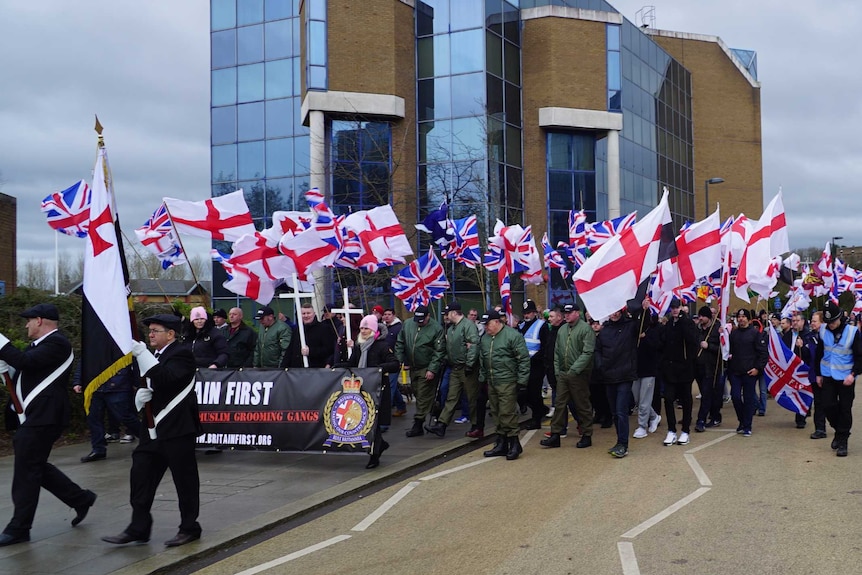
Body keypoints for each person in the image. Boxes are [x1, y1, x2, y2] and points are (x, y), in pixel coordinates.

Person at [0, 303, 97, 546]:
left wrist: (1, 344)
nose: (26, 325)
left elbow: (24, 361)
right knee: (34, 466)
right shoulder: (42, 347)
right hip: (37, 415)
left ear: (40, 320)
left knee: (26, 470)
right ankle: (80, 498)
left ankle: (19, 528)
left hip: (45, 416)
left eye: (29, 321)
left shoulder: (57, 343)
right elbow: (26, 369)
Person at [103, 313, 202, 546]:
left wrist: (143, 354)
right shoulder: (154, 355)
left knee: (184, 481)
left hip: (178, 427)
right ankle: (139, 526)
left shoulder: (182, 353)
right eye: (150, 331)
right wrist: (142, 395)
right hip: (152, 428)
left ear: (171, 334)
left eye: (156, 330)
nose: (150, 334)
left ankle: (189, 527)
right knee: (141, 475)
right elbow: (152, 381)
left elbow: (167, 377)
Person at [334, 314, 399, 468]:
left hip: (378, 390)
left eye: (366, 328)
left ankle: (374, 455)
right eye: (362, 328)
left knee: (374, 424)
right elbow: (353, 364)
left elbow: (395, 363)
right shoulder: (359, 346)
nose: (363, 331)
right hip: (363, 390)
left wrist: (377, 369)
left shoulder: (381, 345)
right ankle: (380, 445)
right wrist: (337, 365)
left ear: (373, 329)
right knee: (368, 423)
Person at [593, 300, 648, 458]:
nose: (615, 313)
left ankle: (623, 444)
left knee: (621, 410)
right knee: (614, 413)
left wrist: (644, 310)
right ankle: (619, 441)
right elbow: (597, 350)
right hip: (609, 376)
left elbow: (643, 325)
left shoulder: (630, 326)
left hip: (624, 375)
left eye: (617, 310)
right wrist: (600, 365)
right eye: (612, 311)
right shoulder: (604, 331)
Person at [477, 309, 530, 460]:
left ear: (497, 322)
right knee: (496, 412)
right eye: (484, 325)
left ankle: (514, 443)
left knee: (507, 412)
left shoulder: (512, 336)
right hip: (492, 381)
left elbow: (523, 359)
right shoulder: (486, 339)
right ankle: (501, 443)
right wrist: (482, 378)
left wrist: (521, 381)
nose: (486, 327)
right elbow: (482, 359)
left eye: (488, 324)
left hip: (508, 380)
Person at [541, 303, 595, 449]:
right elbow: (557, 352)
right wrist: (558, 371)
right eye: (565, 313)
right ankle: (556, 434)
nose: (567, 315)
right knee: (559, 404)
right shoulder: (562, 330)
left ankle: (586, 434)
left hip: (579, 374)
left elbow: (587, 353)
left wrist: (575, 369)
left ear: (577, 313)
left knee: (581, 404)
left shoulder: (585, 329)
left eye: (569, 313)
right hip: (564, 374)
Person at [814, 302, 862, 456]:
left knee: (845, 409)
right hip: (827, 375)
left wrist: (853, 374)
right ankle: (839, 431)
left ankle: (843, 441)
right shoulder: (823, 330)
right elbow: (819, 353)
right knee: (827, 406)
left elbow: (859, 357)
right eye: (828, 323)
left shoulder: (852, 332)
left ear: (840, 318)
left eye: (833, 322)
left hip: (846, 377)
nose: (831, 325)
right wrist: (818, 374)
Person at [426, 301, 479, 438]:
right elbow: (450, 347)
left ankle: (475, 424)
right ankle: (442, 425)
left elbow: (473, 345)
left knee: (472, 397)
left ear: (454, 313)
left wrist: (470, 364)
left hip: (467, 368)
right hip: (455, 367)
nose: (446, 316)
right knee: (451, 396)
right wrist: (445, 358)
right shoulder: (451, 328)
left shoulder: (468, 326)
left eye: (448, 313)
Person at [395, 305, 445, 438]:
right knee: (418, 393)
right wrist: (399, 360)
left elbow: (439, 351)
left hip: (426, 366)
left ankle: (418, 424)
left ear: (428, 316)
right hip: (413, 366)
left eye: (422, 319)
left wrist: (432, 369)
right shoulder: (407, 325)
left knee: (423, 395)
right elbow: (400, 342)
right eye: (417, 319)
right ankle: (436, 409)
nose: (419, 322)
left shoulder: (436, 329)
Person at [75, 364, 141, 462]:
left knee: (125, 417)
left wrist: (137, 383)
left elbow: (134, 362)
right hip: (95, 386)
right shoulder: (92, 348)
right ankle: (98, 449)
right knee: (93, 418)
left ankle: (148, 440)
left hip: (118, 385)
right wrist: (78, 381)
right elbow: (85, 361)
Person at [658, 298, 698, 446]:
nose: (675, 310)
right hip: (670, 369)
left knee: (686, 399)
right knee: (668, 399)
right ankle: (671, 429)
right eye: (673, 307)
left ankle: (686, 430)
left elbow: (692, 340)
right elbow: (662, 343)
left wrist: (683, 322)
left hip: (685, 369)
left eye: (677, 307)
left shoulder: (687, 323)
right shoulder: (668, 324)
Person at [727, 309, 768, 437]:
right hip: (735, 372)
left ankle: (747, 425)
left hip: (750, 372)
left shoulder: (755, 334)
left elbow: (763, 354)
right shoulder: (733, 334)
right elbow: (729, 351)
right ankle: (742, 420)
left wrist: (757, 368)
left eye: (744, 316)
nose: (741, 319)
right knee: (735, 397)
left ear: (749, 320)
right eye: (739, 316)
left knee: (749, 399)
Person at [517, 299, 551, 430]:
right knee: (524, 394)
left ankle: (536, 420)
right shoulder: (521, 326)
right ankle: (541, 410)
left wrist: (535, 359)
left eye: (529, 313)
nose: (527, 315)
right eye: (525, 313)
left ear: (534, 313)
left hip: (536, 365)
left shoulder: (541, 326)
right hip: (523, 365)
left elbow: (545, 347)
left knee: (533, 393)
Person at [632, 307, 662, 439]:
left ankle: (642, 426)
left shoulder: (654, 331)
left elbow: (658, 346)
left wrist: (645, 338)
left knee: (644, 399)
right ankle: (654, 416)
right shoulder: (633, 332)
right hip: (635, 370)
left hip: (649, 370)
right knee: (638, 399)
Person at [281, 303, 337, 368]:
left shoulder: (324, 329)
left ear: (314, 314)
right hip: (296, 370)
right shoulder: (297, 330)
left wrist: (311, 351)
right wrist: (283, 367)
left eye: (308, 313)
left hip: (316, 369)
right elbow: (290, 350)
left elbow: (329, 350)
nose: (306, 316)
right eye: (303, 314)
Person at [694, 306, 723, 432]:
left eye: (702, 316)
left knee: (706, 394)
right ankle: (715, 415)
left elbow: (722, 349)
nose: (700, 318)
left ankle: (701, 420)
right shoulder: (697, 330)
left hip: (711, 368)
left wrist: (709, 346)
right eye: (699, 316)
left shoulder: (716, 330)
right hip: (698, 368)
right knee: (708, 394)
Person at [784, 312, 811, 429]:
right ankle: (802, 410)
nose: (795, 323)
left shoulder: (808, 335)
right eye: (793, 321)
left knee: (802, 392)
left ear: (803, 322)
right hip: (790, 369)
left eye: (797, 321)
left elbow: (811, 354)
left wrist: (803, 347)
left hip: (803, 370)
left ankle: (800, 418)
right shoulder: (787, 335)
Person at [806, 312, 828, 439]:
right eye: (812, 321)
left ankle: (837, 425)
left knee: (830, 403)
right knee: (818, 403)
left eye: (815, 321)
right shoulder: (809, 337)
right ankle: (820, 428)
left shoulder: (828, 337)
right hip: (815, 374)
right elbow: (808, 357)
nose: (812, 323)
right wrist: (802, 347)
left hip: (829, 375)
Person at [382, 308, 407, 417]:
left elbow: (403, 345)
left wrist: (404, 361)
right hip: (384, 361)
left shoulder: (399, 328)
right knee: (393, 385)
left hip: (395, 361)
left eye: (389, 314)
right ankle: (401, 406)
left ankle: (386, 412)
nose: (386, 316)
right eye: (385, 314)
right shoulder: (382, 327)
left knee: (390, 385)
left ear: (394, 315)